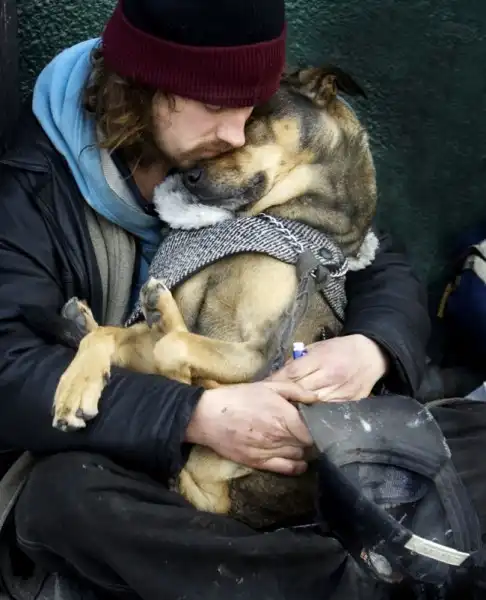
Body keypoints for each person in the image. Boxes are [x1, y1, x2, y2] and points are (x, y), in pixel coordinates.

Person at [0, 0, 462, 599]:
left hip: (280, 449)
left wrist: (370, 348)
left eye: (251, 109)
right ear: (140, 88)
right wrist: (195, 416)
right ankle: (338, 582)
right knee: (62, 497)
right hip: (126, 450)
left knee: (458, 436)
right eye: (216, 105)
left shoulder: (230, 153)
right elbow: (11, 373)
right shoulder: (30, 192)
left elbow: (374, 255)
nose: (236, 133)